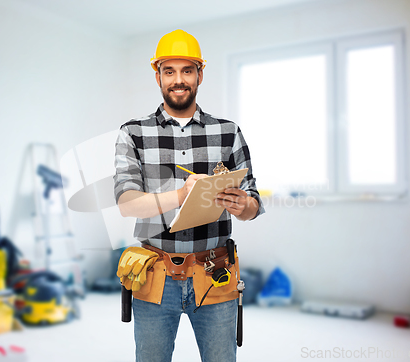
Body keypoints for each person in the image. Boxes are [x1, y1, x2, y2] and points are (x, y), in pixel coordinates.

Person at [114, 29, 264, 362]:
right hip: (154, 276)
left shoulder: (228, 132)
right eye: (169, 71)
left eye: (187, 70)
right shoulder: (133, 133)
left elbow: (253, 202)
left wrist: (244, 206)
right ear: (158, 76)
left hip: (215, 275)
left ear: (200, 74)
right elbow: (126, 204)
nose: (178, 80)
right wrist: (181, 195)